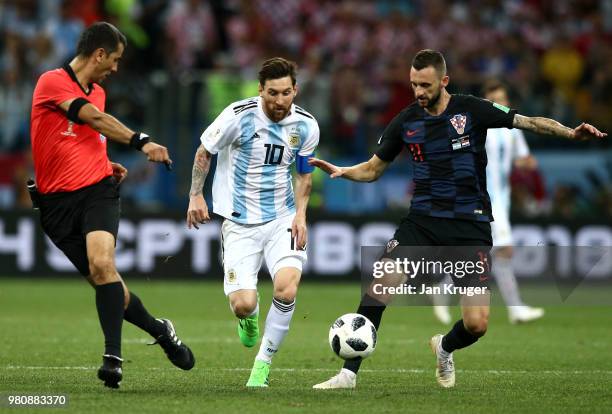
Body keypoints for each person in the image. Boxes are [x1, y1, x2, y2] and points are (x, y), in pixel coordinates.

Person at [310, 49, 606, 389]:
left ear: (444, 81)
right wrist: (343, 171)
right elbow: (374, 169)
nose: (418, 92)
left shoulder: (472, 109)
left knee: (477, 324)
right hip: (422, 221)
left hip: (470, 225)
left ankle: (444, 346)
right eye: (413, 85)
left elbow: (528, 121)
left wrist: (570, 133)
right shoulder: (406, 121)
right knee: (381, 285)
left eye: (425, 84)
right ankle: (348, 375)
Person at [29, 22, 195, 389]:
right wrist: (141, 141)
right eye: (115, 59)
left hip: (98, 192)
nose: (116, 68)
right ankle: (161, 331)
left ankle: (113, 359)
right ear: (99, 54)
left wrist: (105, 165)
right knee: (108, 284)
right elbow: (93, 119)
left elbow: (89, 139)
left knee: (103, 264)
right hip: (56, 207)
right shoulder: (52, 82)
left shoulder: (98, 93)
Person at [186, 57, 319, 387]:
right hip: (239, 222)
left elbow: (304, 175)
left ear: (295, 90)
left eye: (286, 93)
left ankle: (263, 364)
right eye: (272, 93)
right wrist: (195, 195)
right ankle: (249, 317)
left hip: (282, 218)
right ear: (260, 89)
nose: (279, 101)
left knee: (287, 288)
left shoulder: (306, 126)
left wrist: (301, 215)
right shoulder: (238, 115)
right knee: (244, 304)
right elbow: (204, 152)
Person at [433, 80, 544, 325]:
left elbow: (522, 158)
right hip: (482, 197)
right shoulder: (478, 125)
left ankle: (444, 288)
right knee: (502, 251)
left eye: (503, 100)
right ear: (485, 103)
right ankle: (515, 309)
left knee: (488, 253)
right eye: (495, 101)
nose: (500, 105)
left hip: (500, 200)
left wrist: (526, 163)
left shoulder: (511, 129)